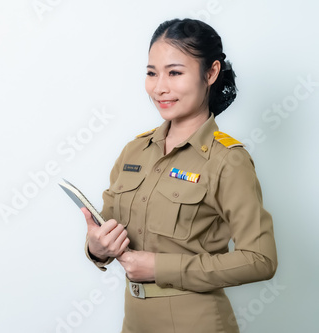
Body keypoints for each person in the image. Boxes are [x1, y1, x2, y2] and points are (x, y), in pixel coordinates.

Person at [82, 18, 278, 333]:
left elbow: (260, 259)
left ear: (211, 73)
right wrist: (96, 248)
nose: (160, 87)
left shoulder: (228, 160)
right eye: (151, 73)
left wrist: (161, 267)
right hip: (134, 321)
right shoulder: (134, 152)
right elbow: (109, 232)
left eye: (175, 72)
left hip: (196, 321)